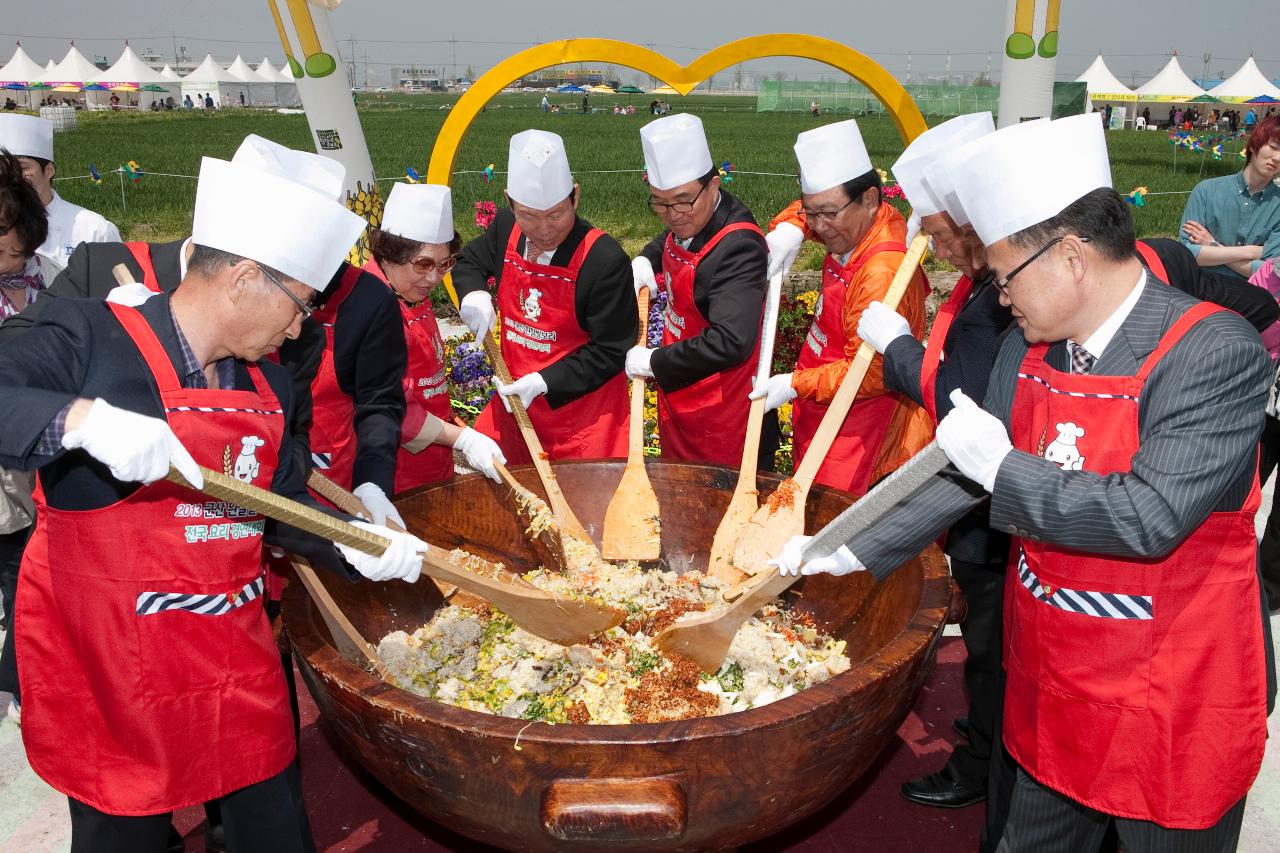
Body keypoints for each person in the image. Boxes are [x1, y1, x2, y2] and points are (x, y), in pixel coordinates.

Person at [777, 113, 1273, 852]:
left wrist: (1004, 465)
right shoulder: (1030, 347)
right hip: (1056, 684)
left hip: (1170, 697)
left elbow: (1149, 515)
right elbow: (972, 475)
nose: (998, 295)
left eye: (1005, 274)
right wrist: (852, 548)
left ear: (1070, 256)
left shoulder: (1209, 352)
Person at [0, 151, 430, 853]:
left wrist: (355, 540)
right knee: (124, 835)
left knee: (274, 825)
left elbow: (280, 499)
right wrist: (80, 421)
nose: (299, 330)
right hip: (115, 668)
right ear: (242, 277)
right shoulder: (89, 338)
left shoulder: (272, 385)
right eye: (298, 306)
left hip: (230, 653)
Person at [752, 119, 932, 495]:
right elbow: (815, 212)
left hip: (861, 431)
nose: (820, 225)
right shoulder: (863, 223)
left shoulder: (882, 273)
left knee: (832, 524)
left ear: (869, 198)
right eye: (811, 212)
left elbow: (871, 373)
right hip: (822, 412)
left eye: (828, 214)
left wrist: (795, 384)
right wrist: (792, 226)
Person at [452, 129, 634, 463]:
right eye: (529, 216)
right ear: (509, 203)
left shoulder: (603, 259)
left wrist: (544, 381)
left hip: (582, 420)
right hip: (515, 409)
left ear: (575, 197)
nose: (544, 230)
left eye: (556, 214)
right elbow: (468, 262)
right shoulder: (505, 227)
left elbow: (611, 351)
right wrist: (473, 293)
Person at [626, 113, 769, 467]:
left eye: (682, 200)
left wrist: (655, 361)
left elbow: (732, 341)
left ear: (714, 186)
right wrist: (647, 258)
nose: (673, 214)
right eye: (660, 203)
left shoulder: (739, 246)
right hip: (684, 401)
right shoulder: (693, 216)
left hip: (725, 415)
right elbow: (673, 238)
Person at [364, 182, 505, 490]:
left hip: (434, 465)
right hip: (392, 474)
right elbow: (391, 409)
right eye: (424, 264)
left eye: (444, 264)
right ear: (389, 255)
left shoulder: (410, 289)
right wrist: (464, 440)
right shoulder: (370, 306)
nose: (434, 278)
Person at [0, 151, 51, 728]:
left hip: (24, 462)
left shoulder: (40, 278)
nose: (16, 266)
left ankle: (21, 685)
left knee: (24, 573)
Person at [0, 114, 121, 268]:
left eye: (22, 168)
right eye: (3, 169)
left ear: (48, 170)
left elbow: (120, 288)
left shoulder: (94, 229)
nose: (13, 177)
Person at [1179, 115, 1280, 280]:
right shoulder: (1206, 190)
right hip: (1201, 290)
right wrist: (1250, 251)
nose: (1277, 158)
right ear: (1254, 146)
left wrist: (1213, 246)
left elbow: (1272, 271)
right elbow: (1187, 252)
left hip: (1254, 297)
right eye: (1273, 147)